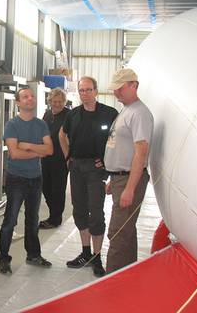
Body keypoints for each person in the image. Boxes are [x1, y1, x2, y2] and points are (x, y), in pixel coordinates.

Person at [60, 76, 118, 277]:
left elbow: (117, 140)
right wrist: (68, 156)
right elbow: (62, 134)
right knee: (79, 210)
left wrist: (107, 160)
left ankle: (96, 256)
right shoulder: (73, 115)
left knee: (96, 212)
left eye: (88, 89)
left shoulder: (110, 114)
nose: (84, 93)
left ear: (96, 90)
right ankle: (85, 252)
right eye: (81, 90)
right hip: (76, 167)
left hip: (96, 170)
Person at [0, 88, 54, 274]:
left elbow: (50, 150)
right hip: (16, 179)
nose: (30, 99)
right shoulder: (12, 125)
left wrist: (28, 146)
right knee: (10, 220)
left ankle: (34, 254)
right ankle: (4, 258)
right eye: (25, 97)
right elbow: (14, 153)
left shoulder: (41, 125)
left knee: (33, 219)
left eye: (32, 96)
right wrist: (38, 150)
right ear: (18, 103)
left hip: (36, 178)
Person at [104, 68, 153, 273]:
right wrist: (114, 179)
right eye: (115, 89)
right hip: (120, 178)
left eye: (120, 89)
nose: (116, 93)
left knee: (117, 231)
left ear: (134, 85)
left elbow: (141, 153)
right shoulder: (127, 110)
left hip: (128, 179)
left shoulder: (139, 113)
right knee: (126, 231)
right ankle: (127, 273)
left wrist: (130, 187)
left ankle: (111, 278)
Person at [39, 88, 70, 229]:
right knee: (45, 187)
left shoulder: (69, 115)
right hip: (46, 157)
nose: (57, 104)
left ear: (64, 102)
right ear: (50, 101)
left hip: (61, 159)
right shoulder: (47, 114)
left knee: (57, 189)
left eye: (60, 102)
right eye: (54, 101)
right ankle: (54, 214)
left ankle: (55, 218)